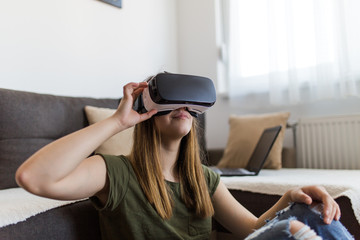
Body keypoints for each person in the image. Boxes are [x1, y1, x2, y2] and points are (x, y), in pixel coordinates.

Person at [16, 81, 353, 240]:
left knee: (308, 213)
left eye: (188, 104)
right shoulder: (114, 172)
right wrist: (118, 121)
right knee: (290, 230)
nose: (183, 107)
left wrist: (289, 199)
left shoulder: (204, 178)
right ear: (148, 111)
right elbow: (34, 177)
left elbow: (252, 229)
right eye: (171, 100)